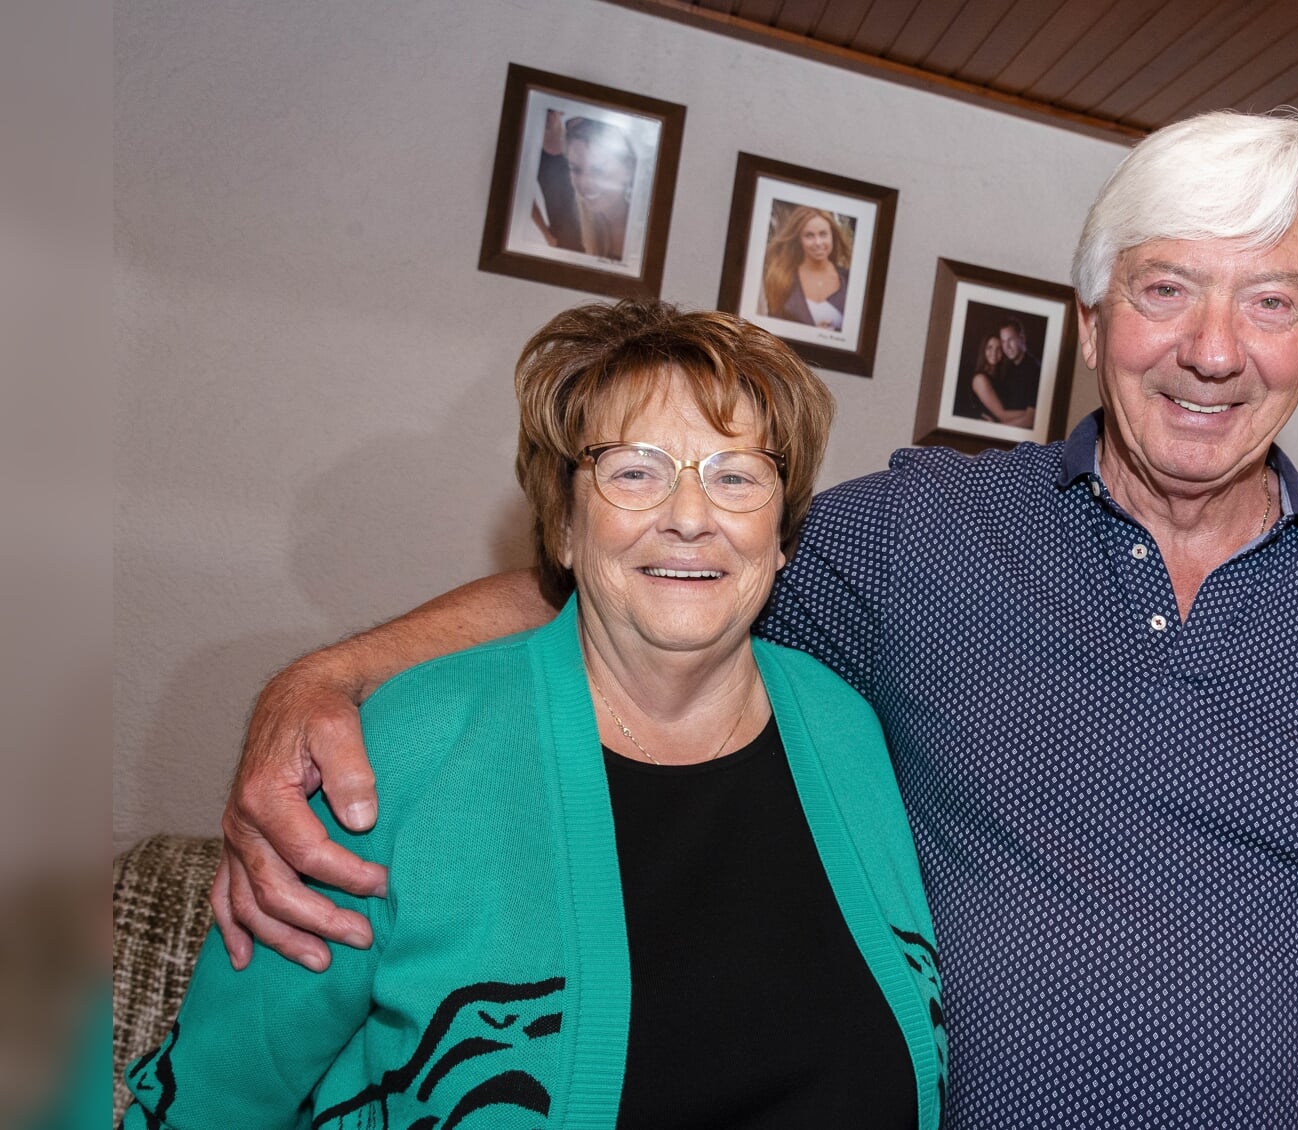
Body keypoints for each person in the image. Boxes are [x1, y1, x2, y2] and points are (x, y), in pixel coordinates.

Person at [217, 109, 1298, 1129]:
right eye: (1167, 290)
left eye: (1268, 301)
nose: (1214, 349)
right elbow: (653, 576)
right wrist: (331, 677)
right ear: (1092, 324)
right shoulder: (917, 537)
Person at [125, 300, 946, 1128]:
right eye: (635, 471)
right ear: (563, 521)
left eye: (736, 476)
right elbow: (217, 1092)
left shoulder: (848, 729)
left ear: (782, 533)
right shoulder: (408, 746)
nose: (690, 516)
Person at [531, 111, 638, 261]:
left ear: (629, 168)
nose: (585, 183)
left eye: (599, 170)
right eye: (576, 169)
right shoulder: (591, 225)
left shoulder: (641, 235)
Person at [762, 205, 852, 330]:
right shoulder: (781, 280)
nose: (818, 243)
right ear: (799, 239)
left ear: (833, 236)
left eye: (823, 234)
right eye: (809, 235)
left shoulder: (850, 280)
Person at [989, 315, 1042, 423]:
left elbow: (1030, 419)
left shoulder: (1035, 370)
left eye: (1011, 340)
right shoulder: (1009, 368)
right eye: (1003, 341)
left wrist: (996, 428)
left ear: (1022, 339)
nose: (1007, 346)